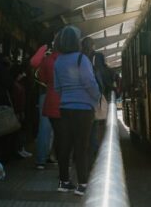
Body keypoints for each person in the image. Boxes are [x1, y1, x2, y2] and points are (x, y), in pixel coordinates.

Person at [54, 25, 101, 196]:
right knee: (82, 147)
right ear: (76, 42)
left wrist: (68, 97)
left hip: (65, 108)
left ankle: (64, 181)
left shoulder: (58, 61)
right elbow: (90, 83)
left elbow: (57, 87)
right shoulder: (82, 59)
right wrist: (95, 98)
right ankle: (82, 184)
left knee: (65, 146)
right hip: (83, 110)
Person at [30, 32, 61, 170]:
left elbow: (34, 63)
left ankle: (42, 158)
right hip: (61, 94)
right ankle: (51, 156)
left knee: (45, 127)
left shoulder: (47, 54)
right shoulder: (65, 54)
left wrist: (43, 48)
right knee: (57, 128)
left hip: (46, 92)